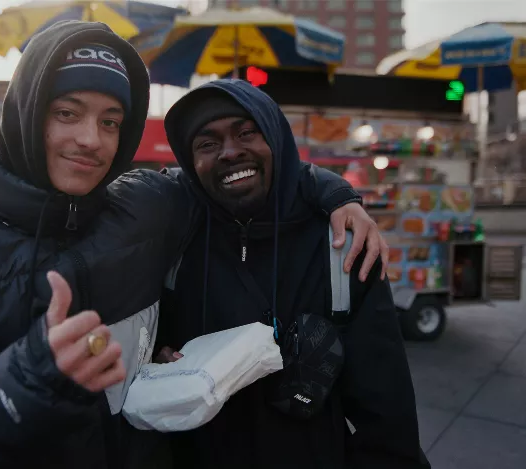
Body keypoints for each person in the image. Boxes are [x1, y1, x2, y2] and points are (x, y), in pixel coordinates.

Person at [0, 21, 385, 469]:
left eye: (111, 121)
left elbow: (237, 168)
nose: (90, 140)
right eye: (67, 113)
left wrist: (337, 194)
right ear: (27, 114)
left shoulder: (144, 205)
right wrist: (17, 391)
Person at [155, 80, 430, 469]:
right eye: (207, 143)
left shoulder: (343, 247)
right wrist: (158, 358)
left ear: (277, 140)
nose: (230, 151)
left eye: (247, 132)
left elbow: (387, 414)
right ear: (190, 161)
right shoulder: (172, 244)